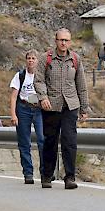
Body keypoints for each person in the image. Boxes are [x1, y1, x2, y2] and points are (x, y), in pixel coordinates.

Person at [34, 28, 90, 189]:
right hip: (51, 106)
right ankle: (47, 175)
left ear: (70, 42)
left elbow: (82, 85)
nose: (63, 43)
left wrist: (84, 108)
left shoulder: (75, 59)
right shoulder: (46, 58)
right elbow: (38, 80)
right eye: (61, 40)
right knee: (50, 141)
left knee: (69, 141)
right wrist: (43, 97)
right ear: (56, 41)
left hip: (70, 106)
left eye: (66, 40)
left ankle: (70, 177)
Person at [10, 49, 45, 185]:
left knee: (42, 139)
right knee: (24, 142)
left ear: (37, 61)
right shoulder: (20, 76)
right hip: (23, 108)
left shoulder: (42, 76)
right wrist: (13, 114)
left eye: (33, 58)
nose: (31, 60)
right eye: (29, 58)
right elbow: (13, 96)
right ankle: (28, 173)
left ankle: (45, 172)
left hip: (38, 109)